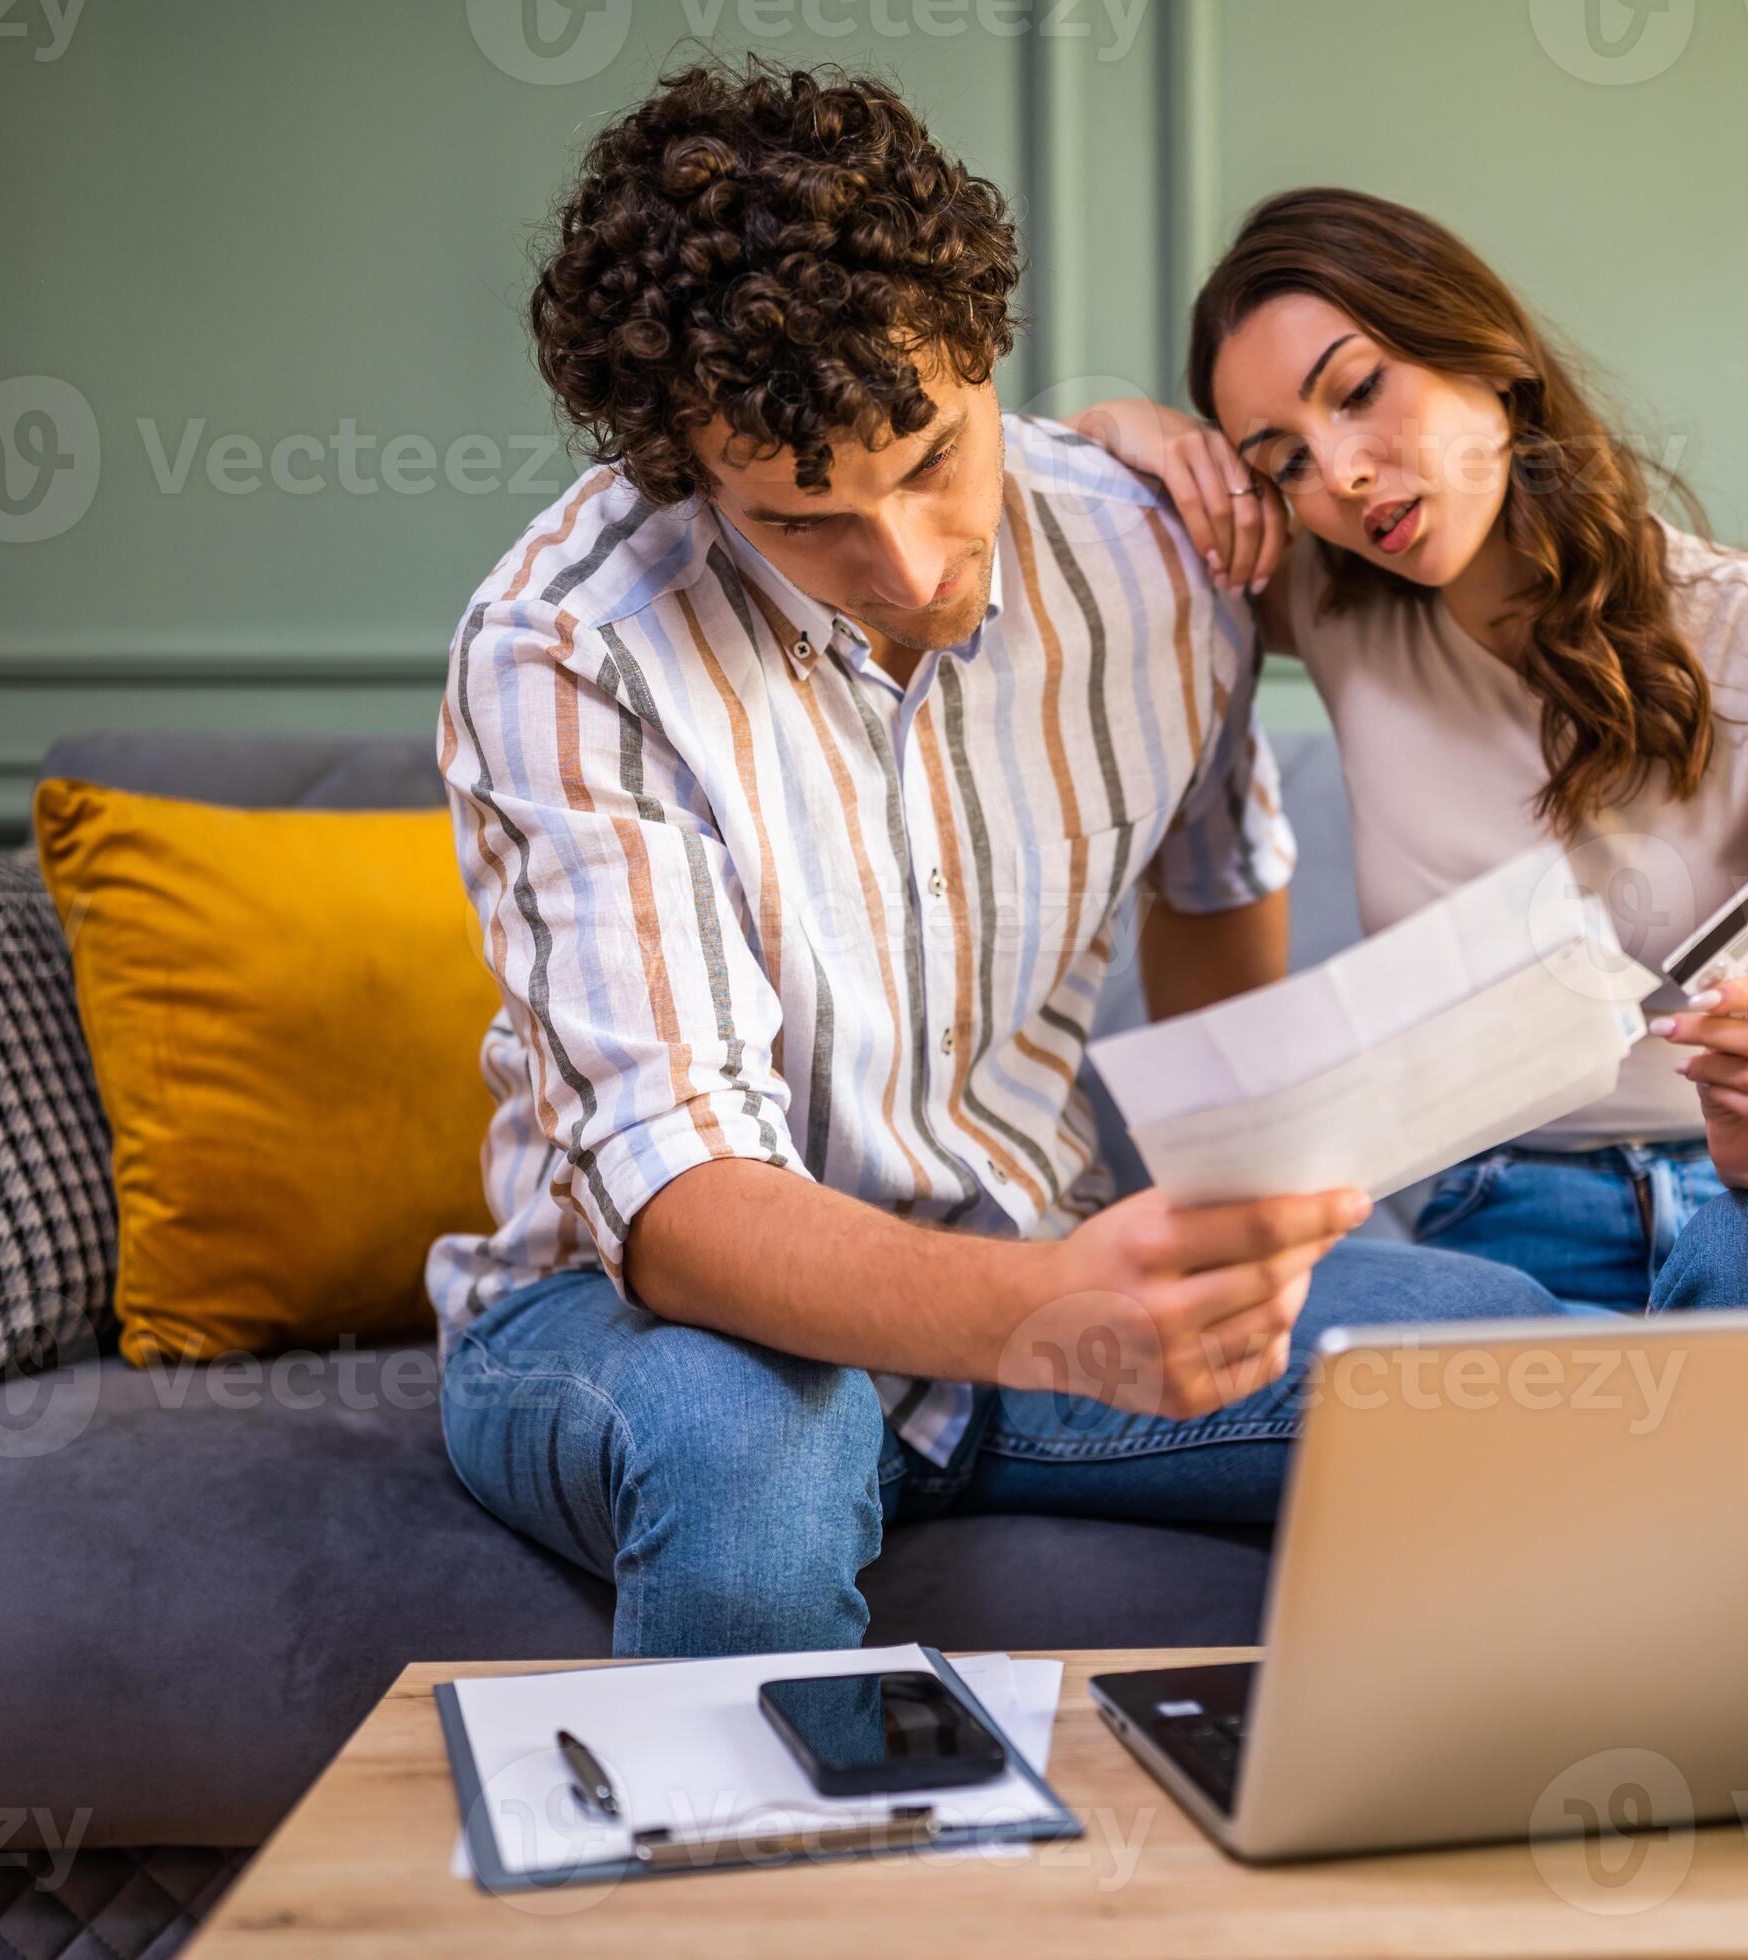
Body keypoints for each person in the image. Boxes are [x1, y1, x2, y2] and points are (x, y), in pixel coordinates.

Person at [429, 66, 1575, 1659]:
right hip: (639, 1322)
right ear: (687, 474)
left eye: (928, 456)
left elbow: (1218, 878)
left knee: (1527, 1372)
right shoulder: (571, 646)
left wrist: (1203, 1233)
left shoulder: (1158, 553)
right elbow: (680, 1208)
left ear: (987, 356)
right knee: (756, 1462)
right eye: (804, 517)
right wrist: (1056, 1320)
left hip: (1033, 1279)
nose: (903, 565)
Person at [1073, 188, 1748, 1316]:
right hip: (1496, 1227)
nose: (1341, 475)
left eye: (1360, 391)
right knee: (1291, 1309)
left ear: (1488, 356)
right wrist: (1131, 430)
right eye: (1280, 460)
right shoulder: (1338, 608)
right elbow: (1088, 501)